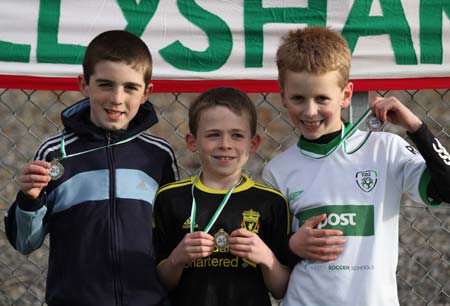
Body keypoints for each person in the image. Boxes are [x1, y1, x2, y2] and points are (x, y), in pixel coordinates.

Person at [262, 26, 450, 306]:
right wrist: (292, 246)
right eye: (298, 98)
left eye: (322, 98)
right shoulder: (277, 171)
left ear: (346, 95)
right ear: (282, 97)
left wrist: (416, 128)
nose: (310, 111)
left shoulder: (385, 149)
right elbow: (271, 262)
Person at [4, 30, 179, 306]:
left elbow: (173, 239)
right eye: (105, 84)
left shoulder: (158, 156)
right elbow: (26, 243)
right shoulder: (54, 153)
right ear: (84, 85)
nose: (117, 98)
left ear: (147, 92)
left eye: (130, 87)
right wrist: (29, 199)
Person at [153, 86, 291, 306]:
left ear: (253, 144)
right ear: (192, 142)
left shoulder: (271, 202)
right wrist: (177, 259)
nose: (225, 144)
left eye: (237, 135)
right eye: (213, 135)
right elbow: (160, 282)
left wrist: (267, 258)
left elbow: (281, 289)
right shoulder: (170, 198)